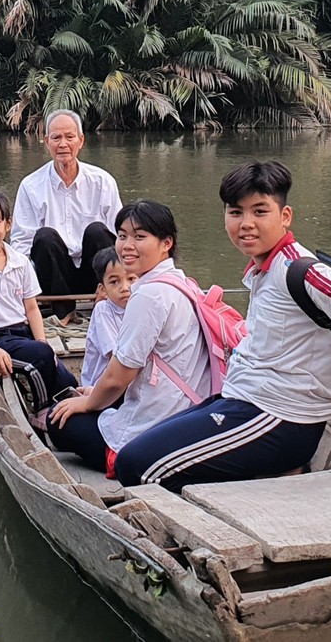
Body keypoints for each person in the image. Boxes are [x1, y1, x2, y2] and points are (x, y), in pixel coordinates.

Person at [112, 160, 331, 490]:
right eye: (236, 213)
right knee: (136, 445)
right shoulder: (267, 267)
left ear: (285, 216)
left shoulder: (299, 268)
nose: (246, 223)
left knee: (136, 467)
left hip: (277, 416)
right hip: (246, 400)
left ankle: (275, 475)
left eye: (260, 211)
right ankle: (275, 474)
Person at [47, 200, 211, 477]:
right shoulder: (183, 282)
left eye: (140, 236)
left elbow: (117, 378)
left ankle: (116, 455)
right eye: (122, 236)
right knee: (91, 401)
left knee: (58, 421)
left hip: (159, 419)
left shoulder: (148, 295)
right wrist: (96, 395)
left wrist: (88, 403)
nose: (127, 245)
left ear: (166, 243)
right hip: (191, 408)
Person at [0, 188, 77, 403]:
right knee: (39, 359)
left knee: (66, 377)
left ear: (8, 224)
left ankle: (68, 395)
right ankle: (43, 408)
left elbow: (31, 308)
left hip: (21, 333)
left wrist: (42, 341)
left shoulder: (21, 262)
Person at [11, 110, 123, 318]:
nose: (63, 144)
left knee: (98, 231)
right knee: (44, 236)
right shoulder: (31, 185)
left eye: (69, 137)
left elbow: (120, 237)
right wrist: (19, 290)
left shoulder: (102, 181)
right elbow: (22, 244)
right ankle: (63, 314)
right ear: (46, 142)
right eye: (56, 137)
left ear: (81, 141)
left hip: (94, 273)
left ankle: (106, 304)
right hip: (54, 278)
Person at [79, 248, 136, 388]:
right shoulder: (103, 310)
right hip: (102, 386)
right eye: (114, 282)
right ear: (103, 289)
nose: (125, 287)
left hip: (129, 380)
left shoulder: (141, 307)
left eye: (131, 279)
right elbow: (115, 358)